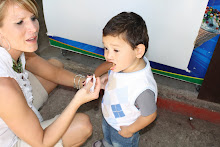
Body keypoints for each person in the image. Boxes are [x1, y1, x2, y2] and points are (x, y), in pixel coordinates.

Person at [0, 0, 101, 146]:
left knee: (55, 64)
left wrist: (85, 82)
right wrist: (77, 100)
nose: (33, 28)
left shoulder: (13, 48)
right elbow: (41, 142)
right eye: (20, 22)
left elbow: (53, 72)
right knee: (82, 126)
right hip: (10, 139)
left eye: (33, 18)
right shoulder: (4, 87)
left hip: (15, 100)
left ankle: (26, 117)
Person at [93, 12, 158, 147]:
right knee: (107, 135)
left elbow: (150, 115)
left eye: (116, 50)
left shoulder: (142, 88)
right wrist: (106, 80)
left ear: (138, 51)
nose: (108, 56)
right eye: (106, 48)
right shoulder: (123, 64)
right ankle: (106, 143)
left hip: (124, 128)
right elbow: (118, 80)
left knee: (118, 143)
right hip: (109, 116)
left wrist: (130, 130)